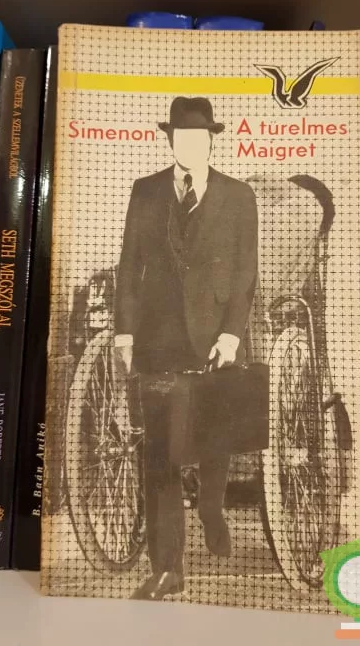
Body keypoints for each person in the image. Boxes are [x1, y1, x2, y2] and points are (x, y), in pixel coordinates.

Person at [113, 96, 258, 601]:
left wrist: (231, 334)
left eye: (200, 137)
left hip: (216, 338)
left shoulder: (238, 196)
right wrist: (125, 334)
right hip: (157, 340)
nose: (191, 145)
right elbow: (129, 266)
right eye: (182, 136)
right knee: (162, 456)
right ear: (170, 139)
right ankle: (167, 569)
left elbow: (245, 274)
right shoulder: (146, 191)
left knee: (213, 439)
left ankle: (211, 509)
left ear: (211, 141)